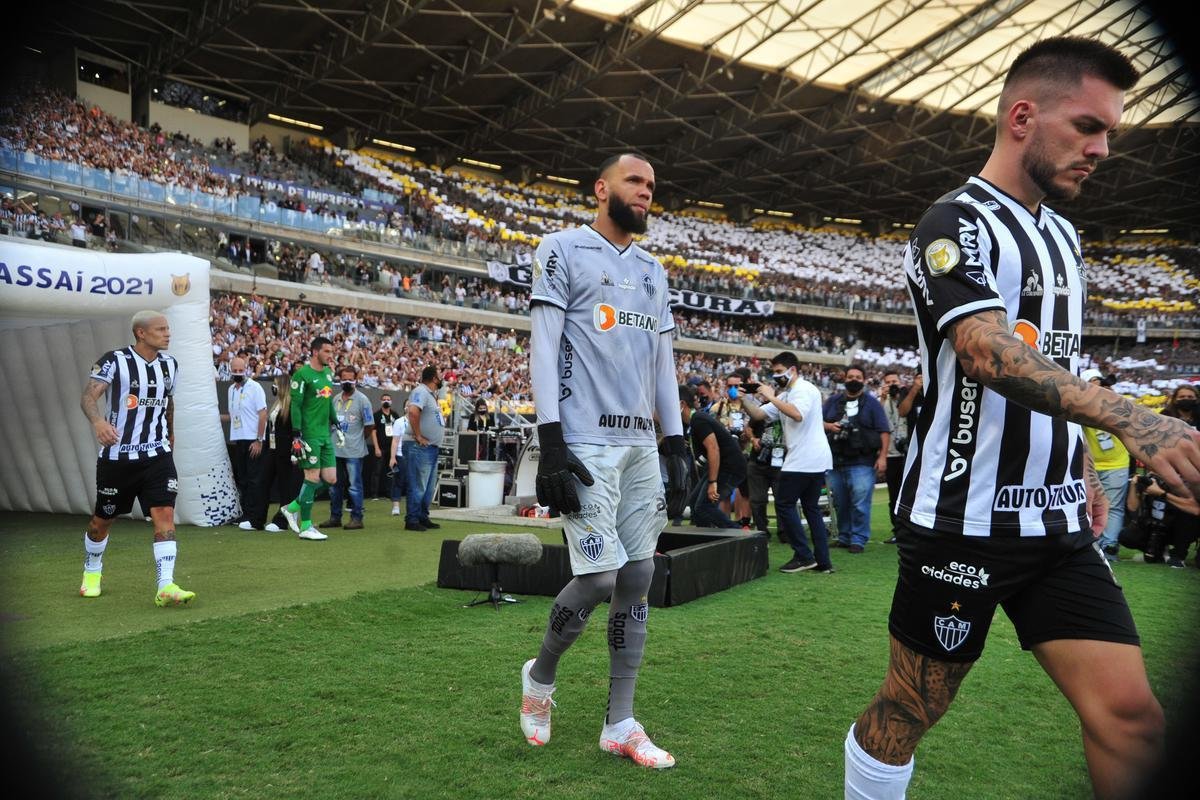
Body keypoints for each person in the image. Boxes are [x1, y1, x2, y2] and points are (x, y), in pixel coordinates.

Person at [845, 38, 1200, 800]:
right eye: (1087, 127)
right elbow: (986, 351)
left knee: (1132, 717)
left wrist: (1080, 465)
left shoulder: (1064, 235)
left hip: (1057, 527)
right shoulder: (953, 223)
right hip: (961, 521)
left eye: (1110, 133)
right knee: (909, 710)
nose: (1102, 150)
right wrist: (1133, 420)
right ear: (1022, 117)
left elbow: (1055, 363)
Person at [518, 153, 688, 769]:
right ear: (601, 188)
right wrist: (551, 441)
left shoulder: (653, 270)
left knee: (638, 576)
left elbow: (662, 363)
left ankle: (620, 722)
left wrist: (676, 442)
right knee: (599, 578)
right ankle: (540, 677)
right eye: (634, 181)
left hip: (640, 446)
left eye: (651, 185)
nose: (645, 192)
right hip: (584, 442)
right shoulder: (561, 249)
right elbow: (544, 346)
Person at [78, 311, 194, 606]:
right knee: (102, 521)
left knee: (164, 514)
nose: (168, 334)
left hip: (157, 455)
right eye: (161, 329)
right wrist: (98, 422)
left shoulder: (170, 365)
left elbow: (168, 402)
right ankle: (92, 571)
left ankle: (165, 585)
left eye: (168, 328)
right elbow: (88, 397)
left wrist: (171, 437)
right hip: (118, 458)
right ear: (141, 333)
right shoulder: (114, 360)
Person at [746, 351, 835, 574]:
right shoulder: (787, 394)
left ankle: (803, 556)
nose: (776, 376)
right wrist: (743, 398)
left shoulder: (803, 389)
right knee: (811, 508)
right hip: (812, 458)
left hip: (803, 459)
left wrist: (771, 395)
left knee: (785, 504)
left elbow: (797, 414)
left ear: (792, 370)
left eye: (779, 371)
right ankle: (823, 561)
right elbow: (758, 415)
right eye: (773, 372)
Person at [281, 336, 345, 541]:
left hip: (325, 434)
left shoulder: (327, 373)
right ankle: (306, 526)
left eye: (331, 351)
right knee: (312, 478)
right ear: (315, 352)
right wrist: (297, 434)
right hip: (309, 434)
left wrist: (337, 423)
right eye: (327, 351)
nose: (330, 355)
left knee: (331, 479)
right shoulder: (302, 375)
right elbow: (296, 406)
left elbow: (327, 403)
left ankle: (292, 507)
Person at [823, 364, 890, 553]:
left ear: (864, 380)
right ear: (844, 379)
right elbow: (817, 422)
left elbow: (884, 431)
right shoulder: (833, 401)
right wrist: (830, 426)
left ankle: (858, 539)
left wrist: (883, 457)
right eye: (850, 377)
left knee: (860, 503)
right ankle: (844, 536)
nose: (854, 380)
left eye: (858, 377)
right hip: (836, 460)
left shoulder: (872, 404)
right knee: (840, 502)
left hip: (863, 461)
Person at [1080, 368, 1132, 562]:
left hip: (1117, 463)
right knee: (1087, 503)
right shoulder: (1078, 404)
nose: (1099, 386)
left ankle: (1109, 546)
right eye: (1093, 383)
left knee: (1114, 506)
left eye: (1100, 383)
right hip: (1090, 465)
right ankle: (1090, 543)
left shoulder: (1117, 402)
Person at [679, 384, 746, 529]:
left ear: (681, 404)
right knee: (695, 504)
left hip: (730, 467)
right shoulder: (694, 421)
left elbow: (713, 448)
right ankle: (706, 539)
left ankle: (740, 535)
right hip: (724, 466)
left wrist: (712, 482)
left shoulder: (698, 420)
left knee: (704, 507)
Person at [244, 372, 302, 533]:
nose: (273, 387)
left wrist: (294, 451)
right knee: (262, 482)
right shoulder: (277, 404)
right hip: (272, 450)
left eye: (276, 384)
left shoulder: (292, 406)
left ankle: (282, 521)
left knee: (285, 487)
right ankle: (257, 519)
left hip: (286, 452)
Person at [325, 366, 378, 531]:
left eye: (350, 379)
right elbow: (330, 422)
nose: (347, 382)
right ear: (339, 380)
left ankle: (357, 518)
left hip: (354, 451)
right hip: (335, 449)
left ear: (356, 380)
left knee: (354, 486)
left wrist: (358, 439)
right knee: (334, 485)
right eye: (344, 379)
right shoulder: (335, 399)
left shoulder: (363, 400)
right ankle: (335, 517)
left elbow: (369, 425)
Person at [220, 356, 268, 530]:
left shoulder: (255, 387)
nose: (238, 373)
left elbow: (263, 414)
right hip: (238, 439)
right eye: (235, 370)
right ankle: (246, 514)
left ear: (246, 369)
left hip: (253, 440)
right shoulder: (231, 389)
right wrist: (214, 417)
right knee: (243, 478)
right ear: (230, 369)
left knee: (254, 479)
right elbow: (233, 416)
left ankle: (255, 516)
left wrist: (259, 440)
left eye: (241, 370)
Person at [1125, 470, 1200, 568]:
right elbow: (1132, 508)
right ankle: (1160, 550)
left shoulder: (1186, 483)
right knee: (1126, 537)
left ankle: (1178, 555)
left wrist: (1161, 493)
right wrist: (1133, 485)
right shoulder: (1152, 481)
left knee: (1185, 516)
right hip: (1158, 528)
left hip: (1181, 528)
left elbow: (1195, 510)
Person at [403, 365, 445, 532]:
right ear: (434, 378)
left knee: (427, 487)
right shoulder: (421, 391)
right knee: (418, 485)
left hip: (430, 447)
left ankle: (422, 516)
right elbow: (413, 412)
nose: (441, 379)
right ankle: (412, 519)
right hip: (420, 446)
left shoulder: (430, 394)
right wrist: (418, 435)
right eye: (439, 375)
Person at [878, 370, 911, 546]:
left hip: (908, 452)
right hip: (891, 453)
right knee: (894, 495)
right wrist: (883, 399)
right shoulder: (882, 402)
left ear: (900, 382)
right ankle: (897, 531)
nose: (892, 385)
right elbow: (879, 423)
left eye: (894, 381)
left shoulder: (906, 397)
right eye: (888, 382)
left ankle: (910, 530)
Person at [373, 392, 402, 502]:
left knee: (391, 470)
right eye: (384, 399)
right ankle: (374, 494)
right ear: (381, 401)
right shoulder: (376, 415)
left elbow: (399, 431)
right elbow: (373, 432)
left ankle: (389, 493)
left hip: (392, 448)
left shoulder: (395, 415)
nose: (386, 401)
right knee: (377, 471)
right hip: (380, 446)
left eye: (388, 399)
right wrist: (376, 447)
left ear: (391, 401)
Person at [387, 413, 410, 517]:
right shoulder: (399, 422)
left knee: (413, 483)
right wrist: (393, 457)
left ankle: (411, 507)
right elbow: (395, 441)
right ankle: (396, 506)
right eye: (408, 406)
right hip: (401, 455)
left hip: (414, 455)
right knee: (398, 481)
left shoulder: (420, 420)